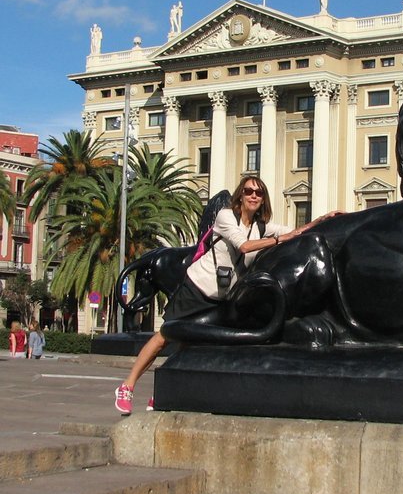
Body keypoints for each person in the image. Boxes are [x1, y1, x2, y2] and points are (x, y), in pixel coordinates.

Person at [114, 175, 340, 415]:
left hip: (222, 298)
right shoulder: (225, 217)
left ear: (263, 200)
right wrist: (277, 240)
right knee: (164, 336)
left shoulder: (262, 227)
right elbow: (243, 246)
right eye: (249, 191)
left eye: (259, 193)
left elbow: (295, 232)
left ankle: (162, 391)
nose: (253, 196)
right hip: (197, 287)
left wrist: (323, 220)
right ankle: (127, 386)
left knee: (189, 346)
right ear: (240, 196)